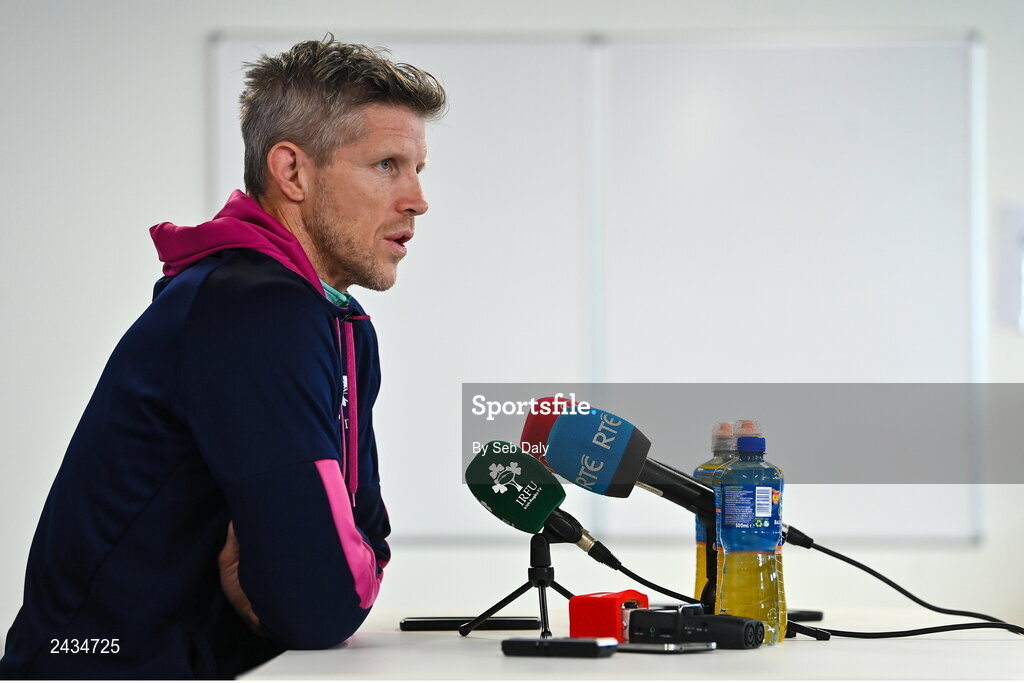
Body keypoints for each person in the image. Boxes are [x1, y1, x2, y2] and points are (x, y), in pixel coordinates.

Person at [0, 37, 447, 679]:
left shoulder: (333, 320)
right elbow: (320, 604)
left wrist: (317, 578)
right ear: (292, 172)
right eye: (386, 165)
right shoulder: (254, 311)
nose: (417, 199)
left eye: (417, 168)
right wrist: (311, 582)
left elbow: (360, 544)